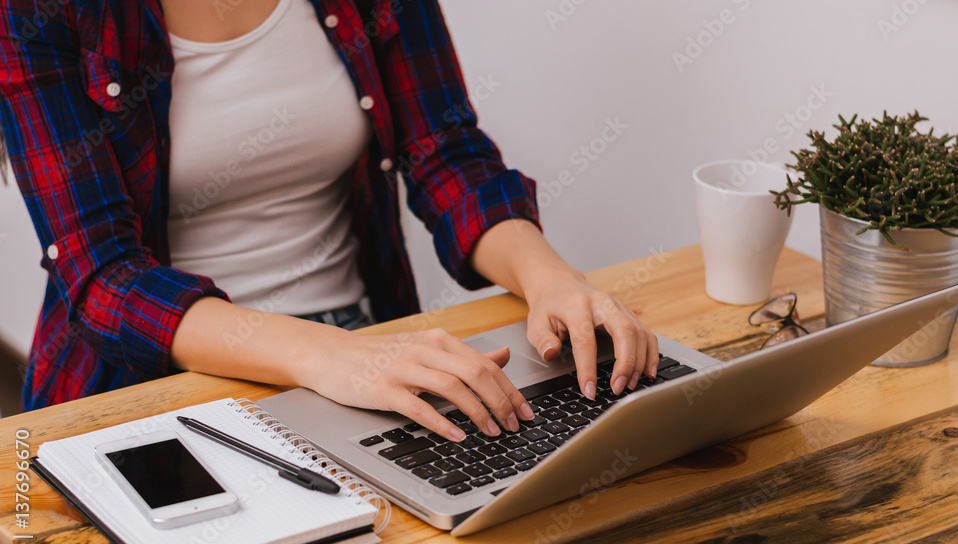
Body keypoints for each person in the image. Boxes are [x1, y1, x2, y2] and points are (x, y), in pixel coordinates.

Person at [0, 0, 659, 443]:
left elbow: (448, 154)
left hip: (361, 340)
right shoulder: (37, 13)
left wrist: (550, 279)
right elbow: (103, 277)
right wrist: (328, 355)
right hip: (152, 379)